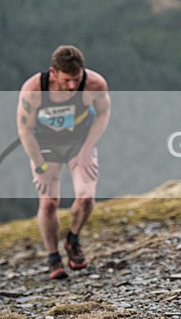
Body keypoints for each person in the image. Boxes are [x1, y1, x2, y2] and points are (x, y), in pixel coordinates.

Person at [17, 45, 111, 279]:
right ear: (54, 72)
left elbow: (103, 113)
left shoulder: (94, 84)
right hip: (45, 145)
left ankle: (72, 239)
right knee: (49, 202)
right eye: (66, 80)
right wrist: (40, 165)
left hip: (79, 142)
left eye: (76, 79)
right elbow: (24, 129)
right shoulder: (34, 89)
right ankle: (53, 257)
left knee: (86, 197)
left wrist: (88, 148)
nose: (72, 86)